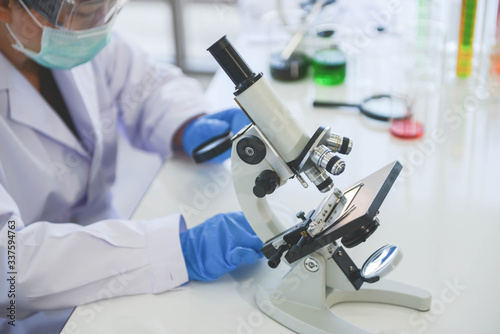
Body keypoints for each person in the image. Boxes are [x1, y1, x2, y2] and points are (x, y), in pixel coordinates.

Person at [0, 0, 263, 332]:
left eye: (107, 7)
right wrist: (176, 250)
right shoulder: (60, 38)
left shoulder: (64, 36)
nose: (101, 25)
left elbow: (146, 84)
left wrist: (190, 125)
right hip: (35, 319)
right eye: (84, 13)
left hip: (119, 271)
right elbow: (11, 265)